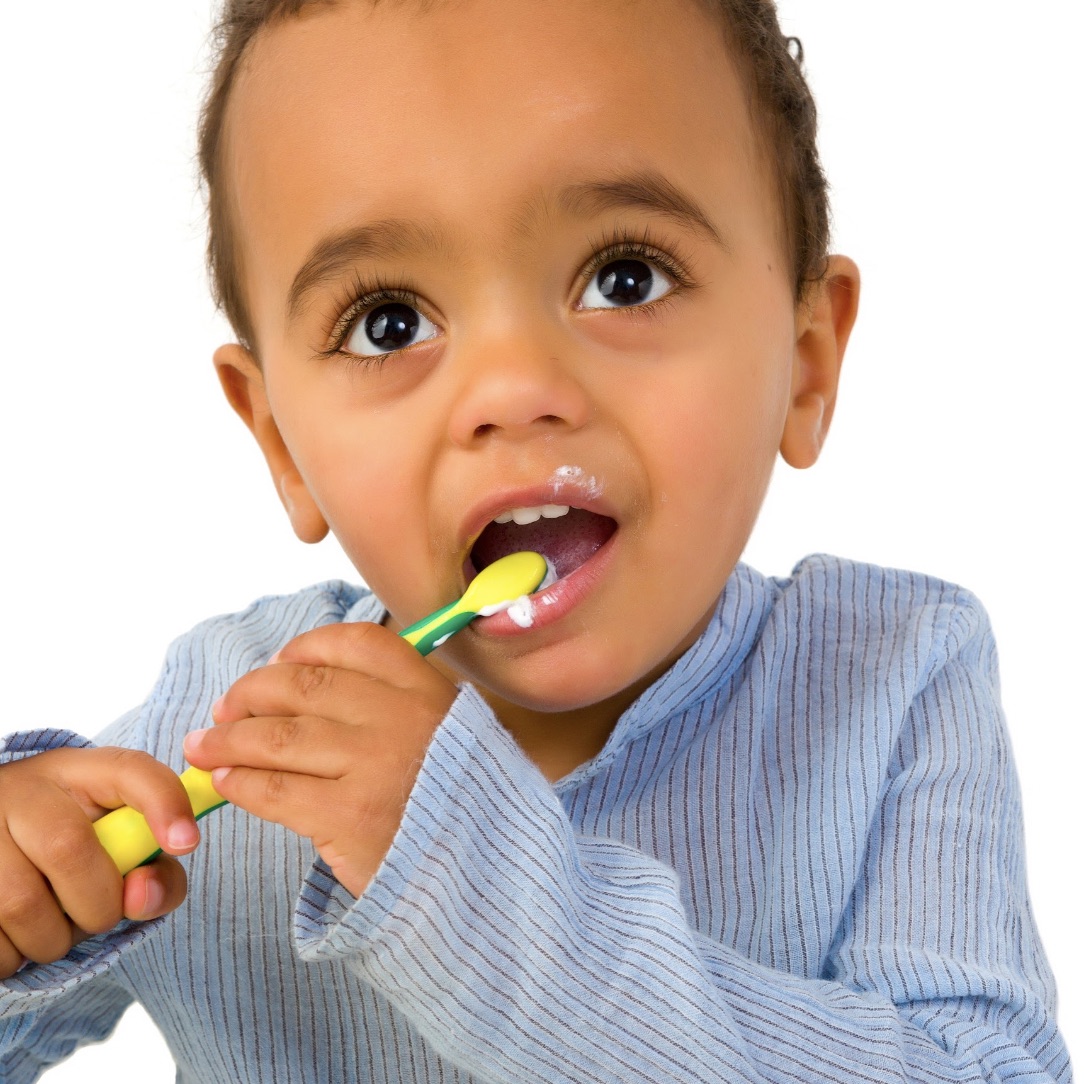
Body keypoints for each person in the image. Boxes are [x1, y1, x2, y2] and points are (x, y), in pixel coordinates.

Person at [0, 0, 1073, 1080]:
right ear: (280, 438)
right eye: (388, 321)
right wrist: (24, 890)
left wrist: (468, 871)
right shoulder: (229, 720)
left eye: (623, 278)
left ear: (804, 361)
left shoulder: (890, 684)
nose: (513, 390)